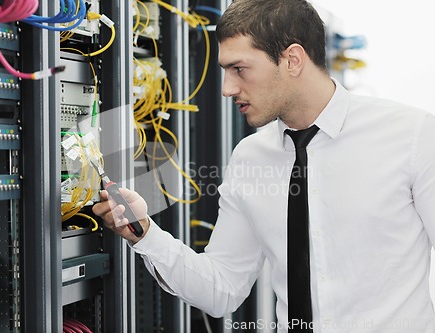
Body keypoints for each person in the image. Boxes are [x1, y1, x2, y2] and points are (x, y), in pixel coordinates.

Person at [92, 0, 435, 331]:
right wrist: (145, 233)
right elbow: (222, 287)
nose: (227, 89)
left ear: (292, 60)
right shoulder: (250, 157)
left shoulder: (412, 137)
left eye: (239, 69)